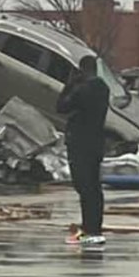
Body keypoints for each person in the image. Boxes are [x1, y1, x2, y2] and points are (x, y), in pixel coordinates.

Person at [57, 55, 110, 246]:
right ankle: (94, 227)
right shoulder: (103, 88)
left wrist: (70, 84)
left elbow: (61, 106)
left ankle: (90, 229)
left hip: (80, 143)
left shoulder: (83, 90)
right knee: (94, 187)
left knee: (84, 186)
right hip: (96, 143)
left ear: (82, 70)